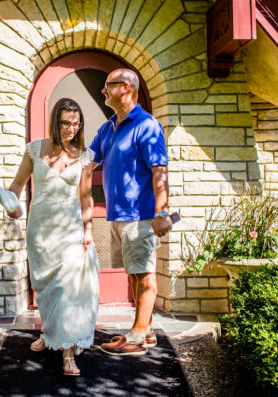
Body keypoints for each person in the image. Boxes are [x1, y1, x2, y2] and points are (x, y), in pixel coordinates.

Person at [7, 98, 99, 376]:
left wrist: (88, 230)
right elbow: (17, 183)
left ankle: (68, 352)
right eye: (66, 123)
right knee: (45, 285)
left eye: (76, 123)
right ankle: (50, 334)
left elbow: (85, 196)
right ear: (54, 123)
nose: (71, 128)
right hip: (41, 229)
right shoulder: (35, 150)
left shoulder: (83, 156)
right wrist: (11, 204)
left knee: (68, 286)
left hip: (71, 228)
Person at [87, 68, 172, 356]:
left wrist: (162, 213)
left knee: (145, 274)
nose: (103, 91)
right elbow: (88, 162)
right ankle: (145, 330)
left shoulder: (146, 125)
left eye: (106, 87)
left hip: (140, 215)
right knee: (135, 273)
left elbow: (159, 170)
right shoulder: (107, 127)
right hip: (117, 215)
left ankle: (135, 337)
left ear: (124, 88)